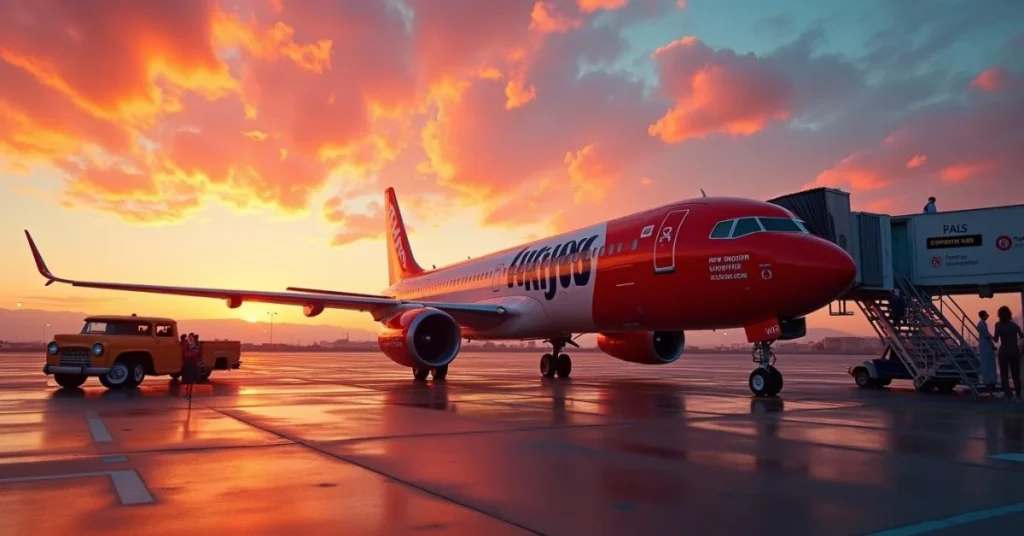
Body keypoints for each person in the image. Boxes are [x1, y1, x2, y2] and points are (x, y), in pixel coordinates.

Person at [992, 306, 1023, 400]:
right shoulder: (1014, 326)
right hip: (1014, 351)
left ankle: (1008, 394)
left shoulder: (998, 325)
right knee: (1016, 375)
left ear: (999, 315)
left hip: (1004, 352)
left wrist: (987, 336)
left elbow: (996, 339)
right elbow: (1022, 336)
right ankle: (1018, 395)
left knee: (1004, 374)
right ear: (1010, 315)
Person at [977, 310, 997, 388]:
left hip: (986, 345)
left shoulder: (982, 324)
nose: (987, 316)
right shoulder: (981, 324)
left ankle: (989, 380)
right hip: (986, 346)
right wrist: (993, 338)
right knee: (988, 363)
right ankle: (989, 380)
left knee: (988, 362)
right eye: (986, 314)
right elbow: (986, 334)